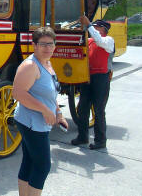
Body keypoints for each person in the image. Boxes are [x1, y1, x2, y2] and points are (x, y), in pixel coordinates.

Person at [12, 27, 68, 196]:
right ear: (34, 45)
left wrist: (58, 113)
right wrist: (45, 110)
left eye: (51, 44)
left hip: (39, 122)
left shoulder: (48, 64)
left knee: (29, 161)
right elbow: (18, 93)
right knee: (43, 166)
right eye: (43, 44)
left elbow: (50, 93)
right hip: (32, 123)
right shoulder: (30, 66)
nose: (48, 48)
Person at [71, 17, 115, 150]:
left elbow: (100, 41)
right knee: (83, 108)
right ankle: (83, 136)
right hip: (88, 77)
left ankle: (100, 140)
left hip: (101, 78)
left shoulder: (108, 40)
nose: (93, 29)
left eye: (96, 27)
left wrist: (88, 25)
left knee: (99, 110)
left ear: (103, 29)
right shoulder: (89, 41)